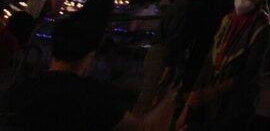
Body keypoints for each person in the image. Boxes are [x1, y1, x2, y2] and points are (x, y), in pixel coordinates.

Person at [5, 11, 175, 131]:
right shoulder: (93, 95)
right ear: (90, 55)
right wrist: (170, 98)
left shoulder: (21, 89)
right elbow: (144, 127)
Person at [178, 0, 270, 130]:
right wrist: (190, 103)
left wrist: (213, 92)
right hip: (212, 94)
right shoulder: (228, 20)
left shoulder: (261, 27)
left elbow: (251, 71)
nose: (241, 1)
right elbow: (209, 61)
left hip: (236, 100)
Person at [134, 0, 210, 115]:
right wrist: (169, 66)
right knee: (149, 97)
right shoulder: (187, 5)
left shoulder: (184, 1)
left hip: (162, 50)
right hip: (163, 52)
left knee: (151, 97)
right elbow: (175, 35)